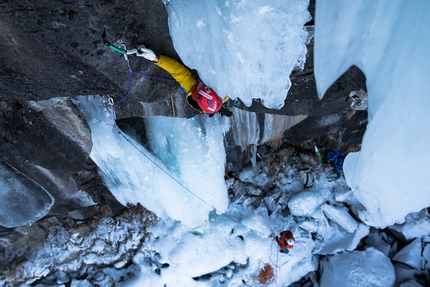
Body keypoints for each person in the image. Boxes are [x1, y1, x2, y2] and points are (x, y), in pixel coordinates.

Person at [136, 46, 233, 117]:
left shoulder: (192, 87)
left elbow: (177, 71)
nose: (200, 82)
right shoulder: (224, 91)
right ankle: (217, 110)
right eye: (204, 86)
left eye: (201, 87)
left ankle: (217, 110)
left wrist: (155, 58)